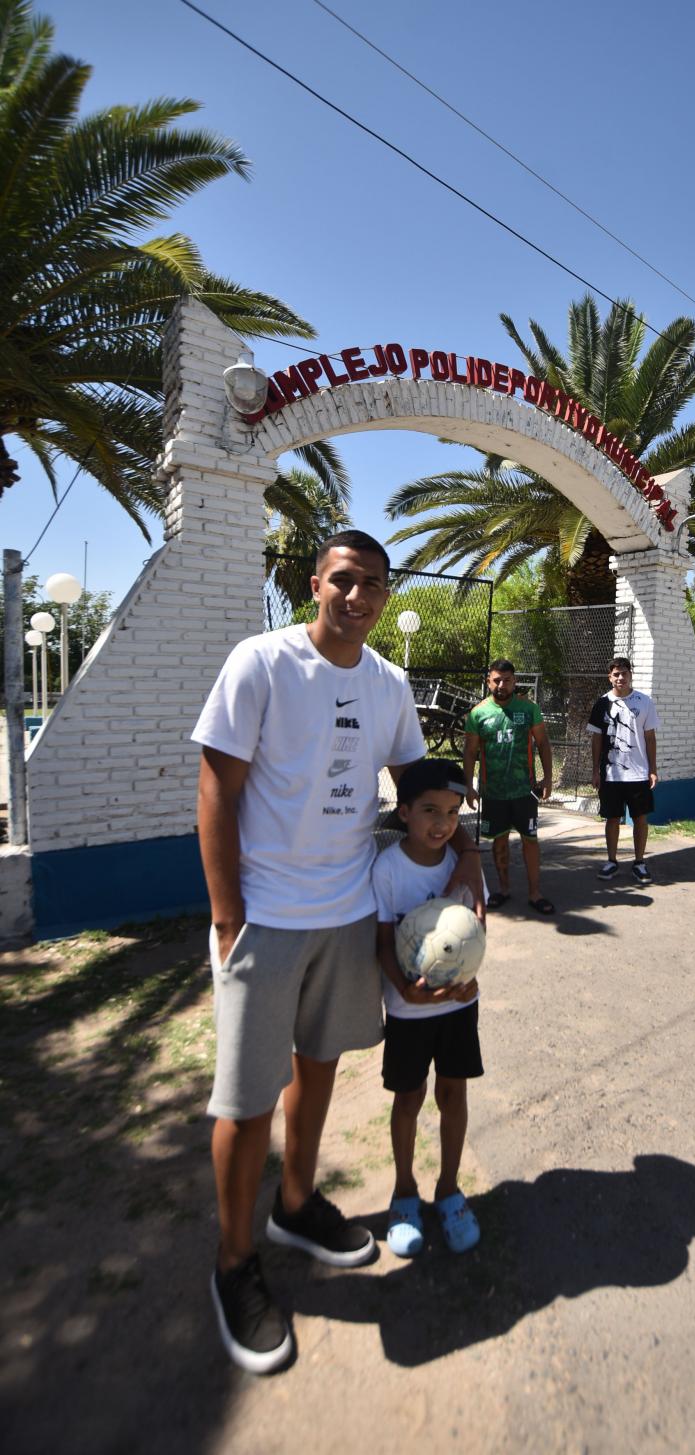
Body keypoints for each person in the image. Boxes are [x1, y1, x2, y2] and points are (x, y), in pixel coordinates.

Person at [192, 529, 484, 1374]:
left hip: (349, 911)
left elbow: (420, 787)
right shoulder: (262, 662)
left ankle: (294, 1202)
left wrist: (462, 847)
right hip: (265, 919)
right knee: (246, 1102)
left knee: (318, 1066)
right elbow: (216, 787)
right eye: (344, 581)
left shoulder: (390, 684)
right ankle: (235, 1262)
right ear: (314, 582)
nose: (358, 598)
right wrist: (225, 917)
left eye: (373, 586)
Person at [373, 759, 483, 1259]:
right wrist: (405, 990)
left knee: (453, 1094)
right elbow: (379, 943)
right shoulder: (387, 870)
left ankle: (449, 1190)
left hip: (458, 1008)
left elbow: (476, 936)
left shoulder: (459, 867)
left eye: (453, 813)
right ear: (403, 812)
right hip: (408, 1011)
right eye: (430, 811)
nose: (442, 823)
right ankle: (403, 1194)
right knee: (409, 1098)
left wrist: (469, 979)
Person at [464, 659, 555, 915]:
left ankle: (535, 893)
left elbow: (544, 744)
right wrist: (469, 786)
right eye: (496, 680)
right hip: (493, 792)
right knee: (499, 841)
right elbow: (470, 752)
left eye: (507, 680)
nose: (501, 685)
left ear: (514, 681)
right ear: (488, 681)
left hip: (523, 792)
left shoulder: (528, 709)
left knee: (530, 840)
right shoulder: (478, 713)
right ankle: (503, 889)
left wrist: (547, 778)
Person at [586, 656, 661, 884]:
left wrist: (653, 769)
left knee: (640, 818)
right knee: (612, 818)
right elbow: (596, 739)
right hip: (611, 774)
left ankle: (639, 862)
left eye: (624, 673)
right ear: (610, 677)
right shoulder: (602, 704)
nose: (620, 677)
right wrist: (596, 770)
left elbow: (650, 738)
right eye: (616, 674)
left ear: (630, 675)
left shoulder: (644, 702)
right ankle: (611, 861)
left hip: (638, 773)